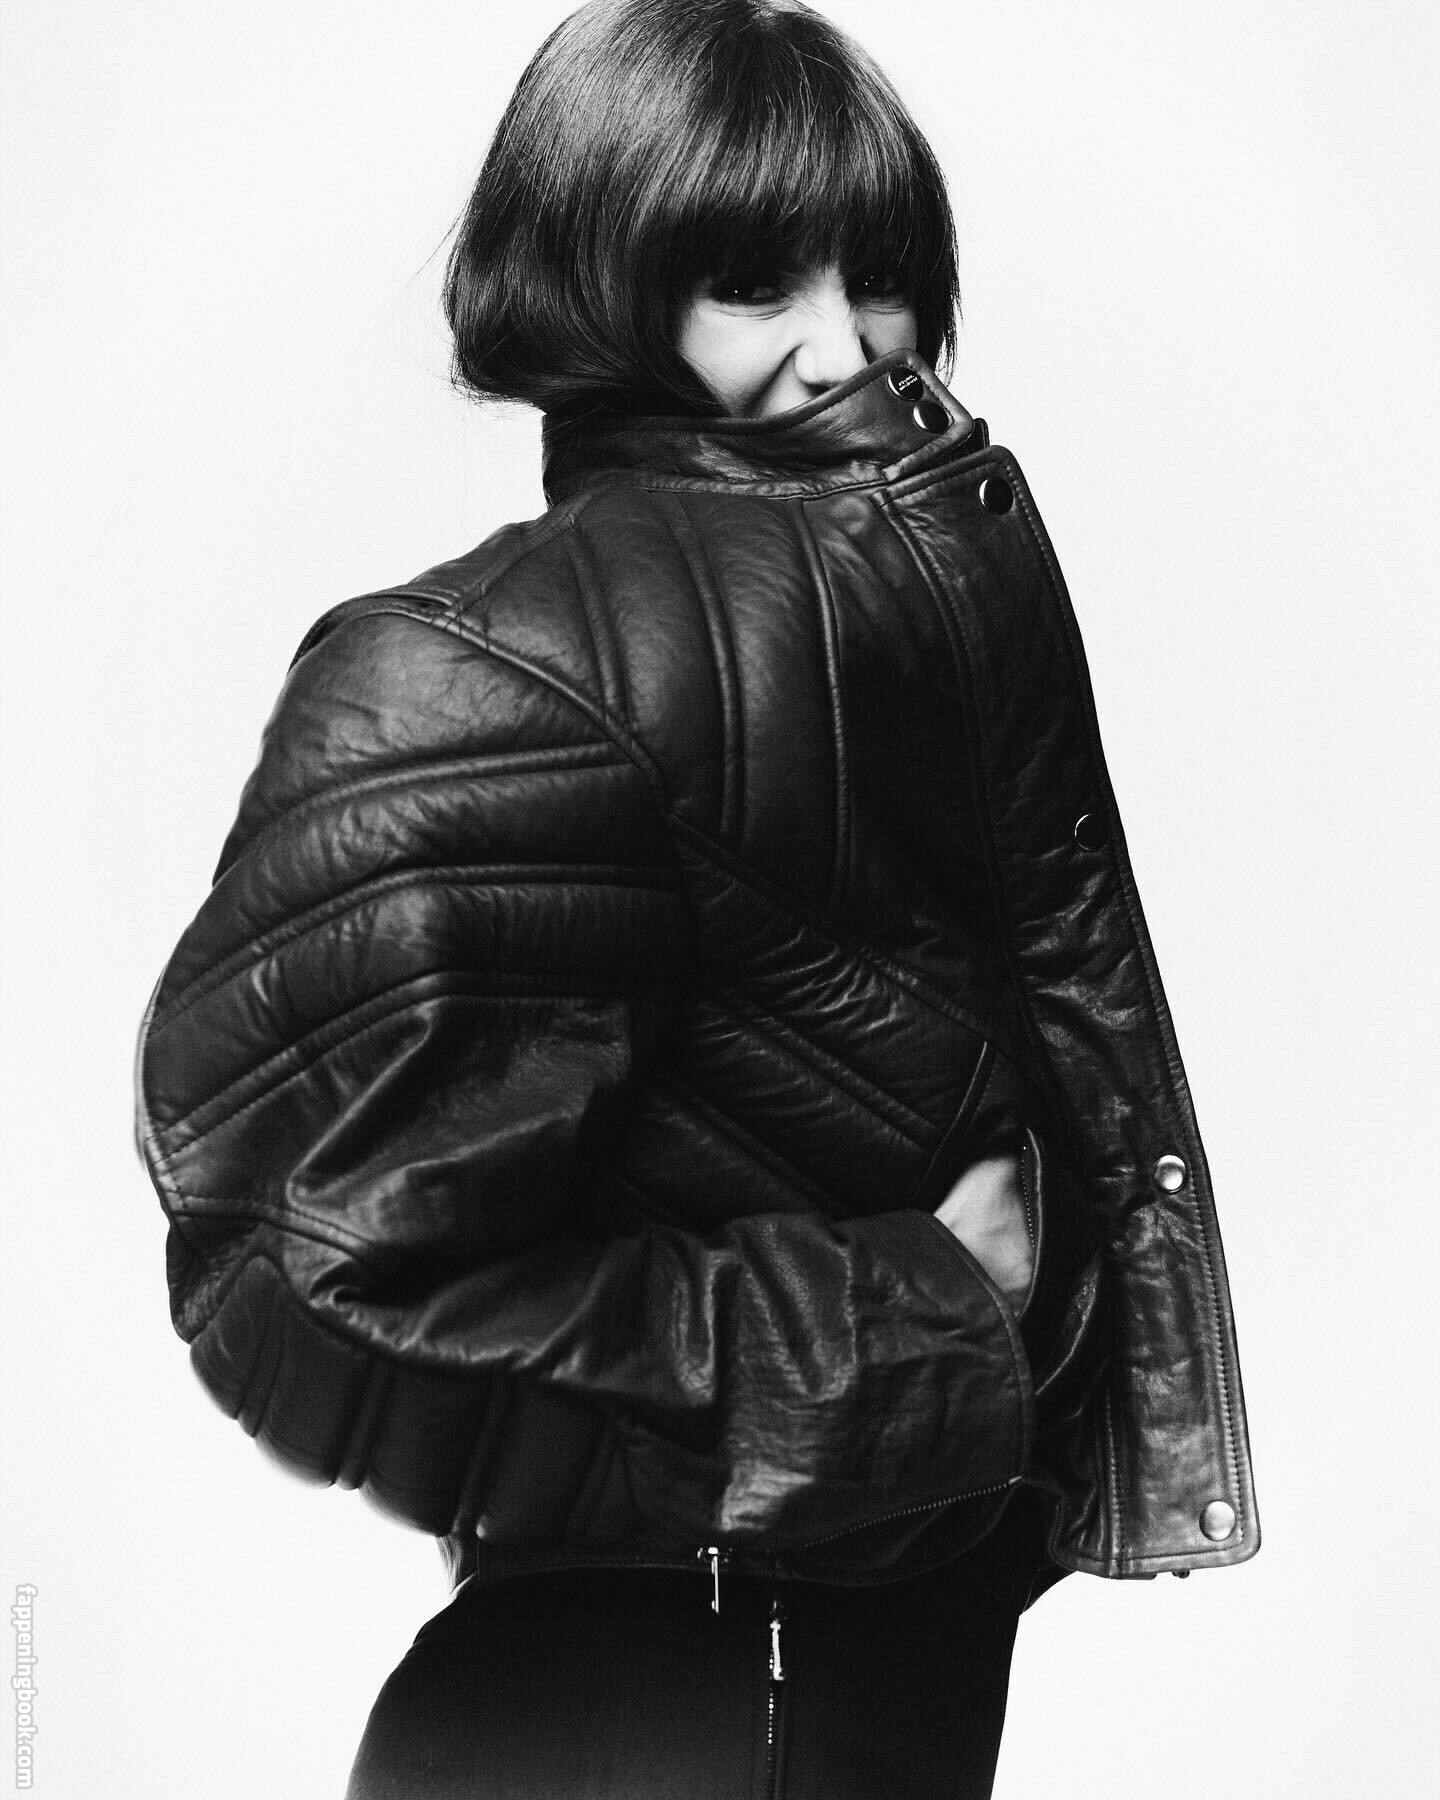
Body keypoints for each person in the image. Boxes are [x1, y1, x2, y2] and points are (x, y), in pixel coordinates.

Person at [134, 2, 1259, 1795]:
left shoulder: (865, 630)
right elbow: (304, 1283)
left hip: (815, 1692)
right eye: (753, 285)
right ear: (606, 288)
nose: (842, 348)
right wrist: (906, 1315)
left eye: (877, 278)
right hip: (682, 1708)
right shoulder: (513, 667)